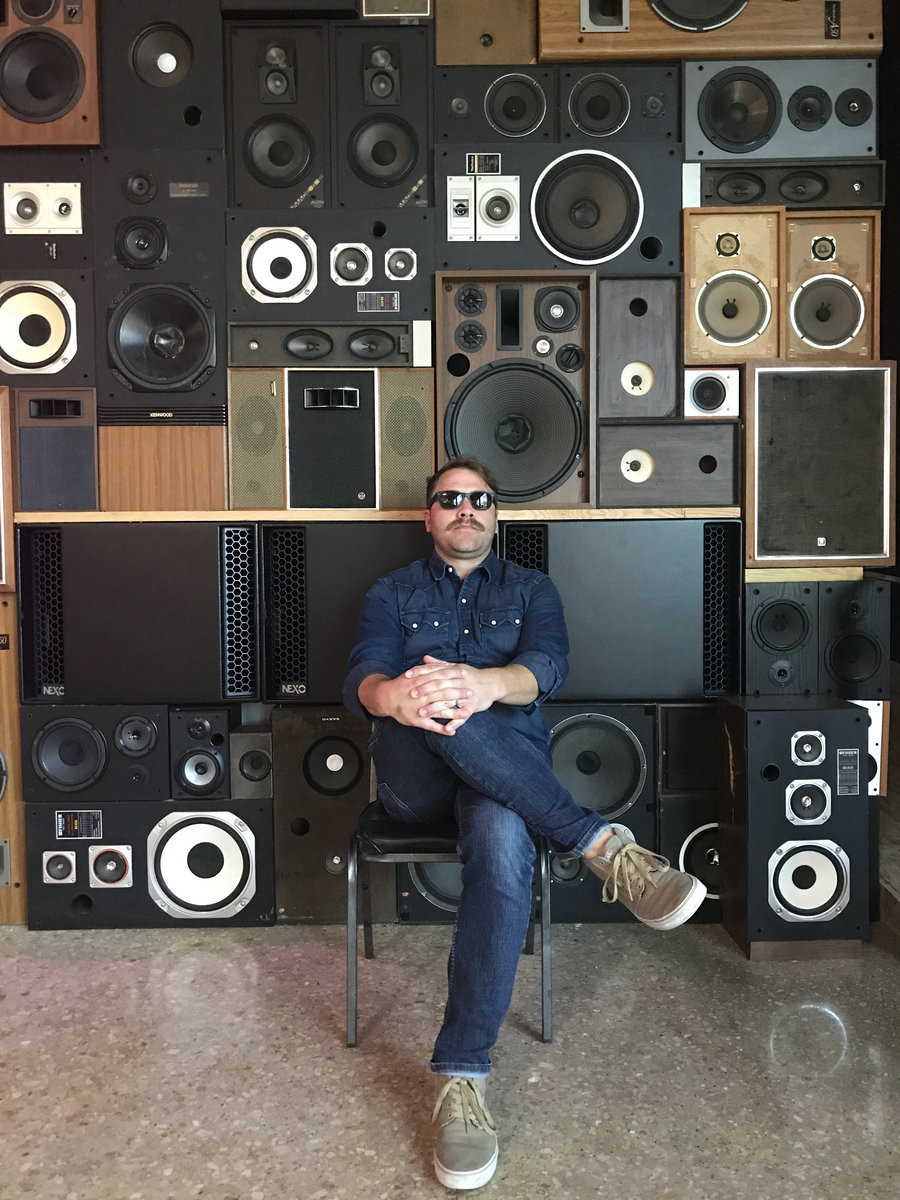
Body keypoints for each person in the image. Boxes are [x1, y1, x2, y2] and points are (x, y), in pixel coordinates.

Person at [343, 455, 706, 1191]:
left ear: (496, 515)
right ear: (429, 515)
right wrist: (394, 698)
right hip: (415, 782)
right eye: (451, 499)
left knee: (503, 828)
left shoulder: (532, 588)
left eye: (480, 499)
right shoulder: (392, 591)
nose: (466, 509)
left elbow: (549, 666)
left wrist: (482, 684)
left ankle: (462, 1076)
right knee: (433, 699)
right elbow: (361, 675)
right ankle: (600, 844)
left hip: (505, 784)